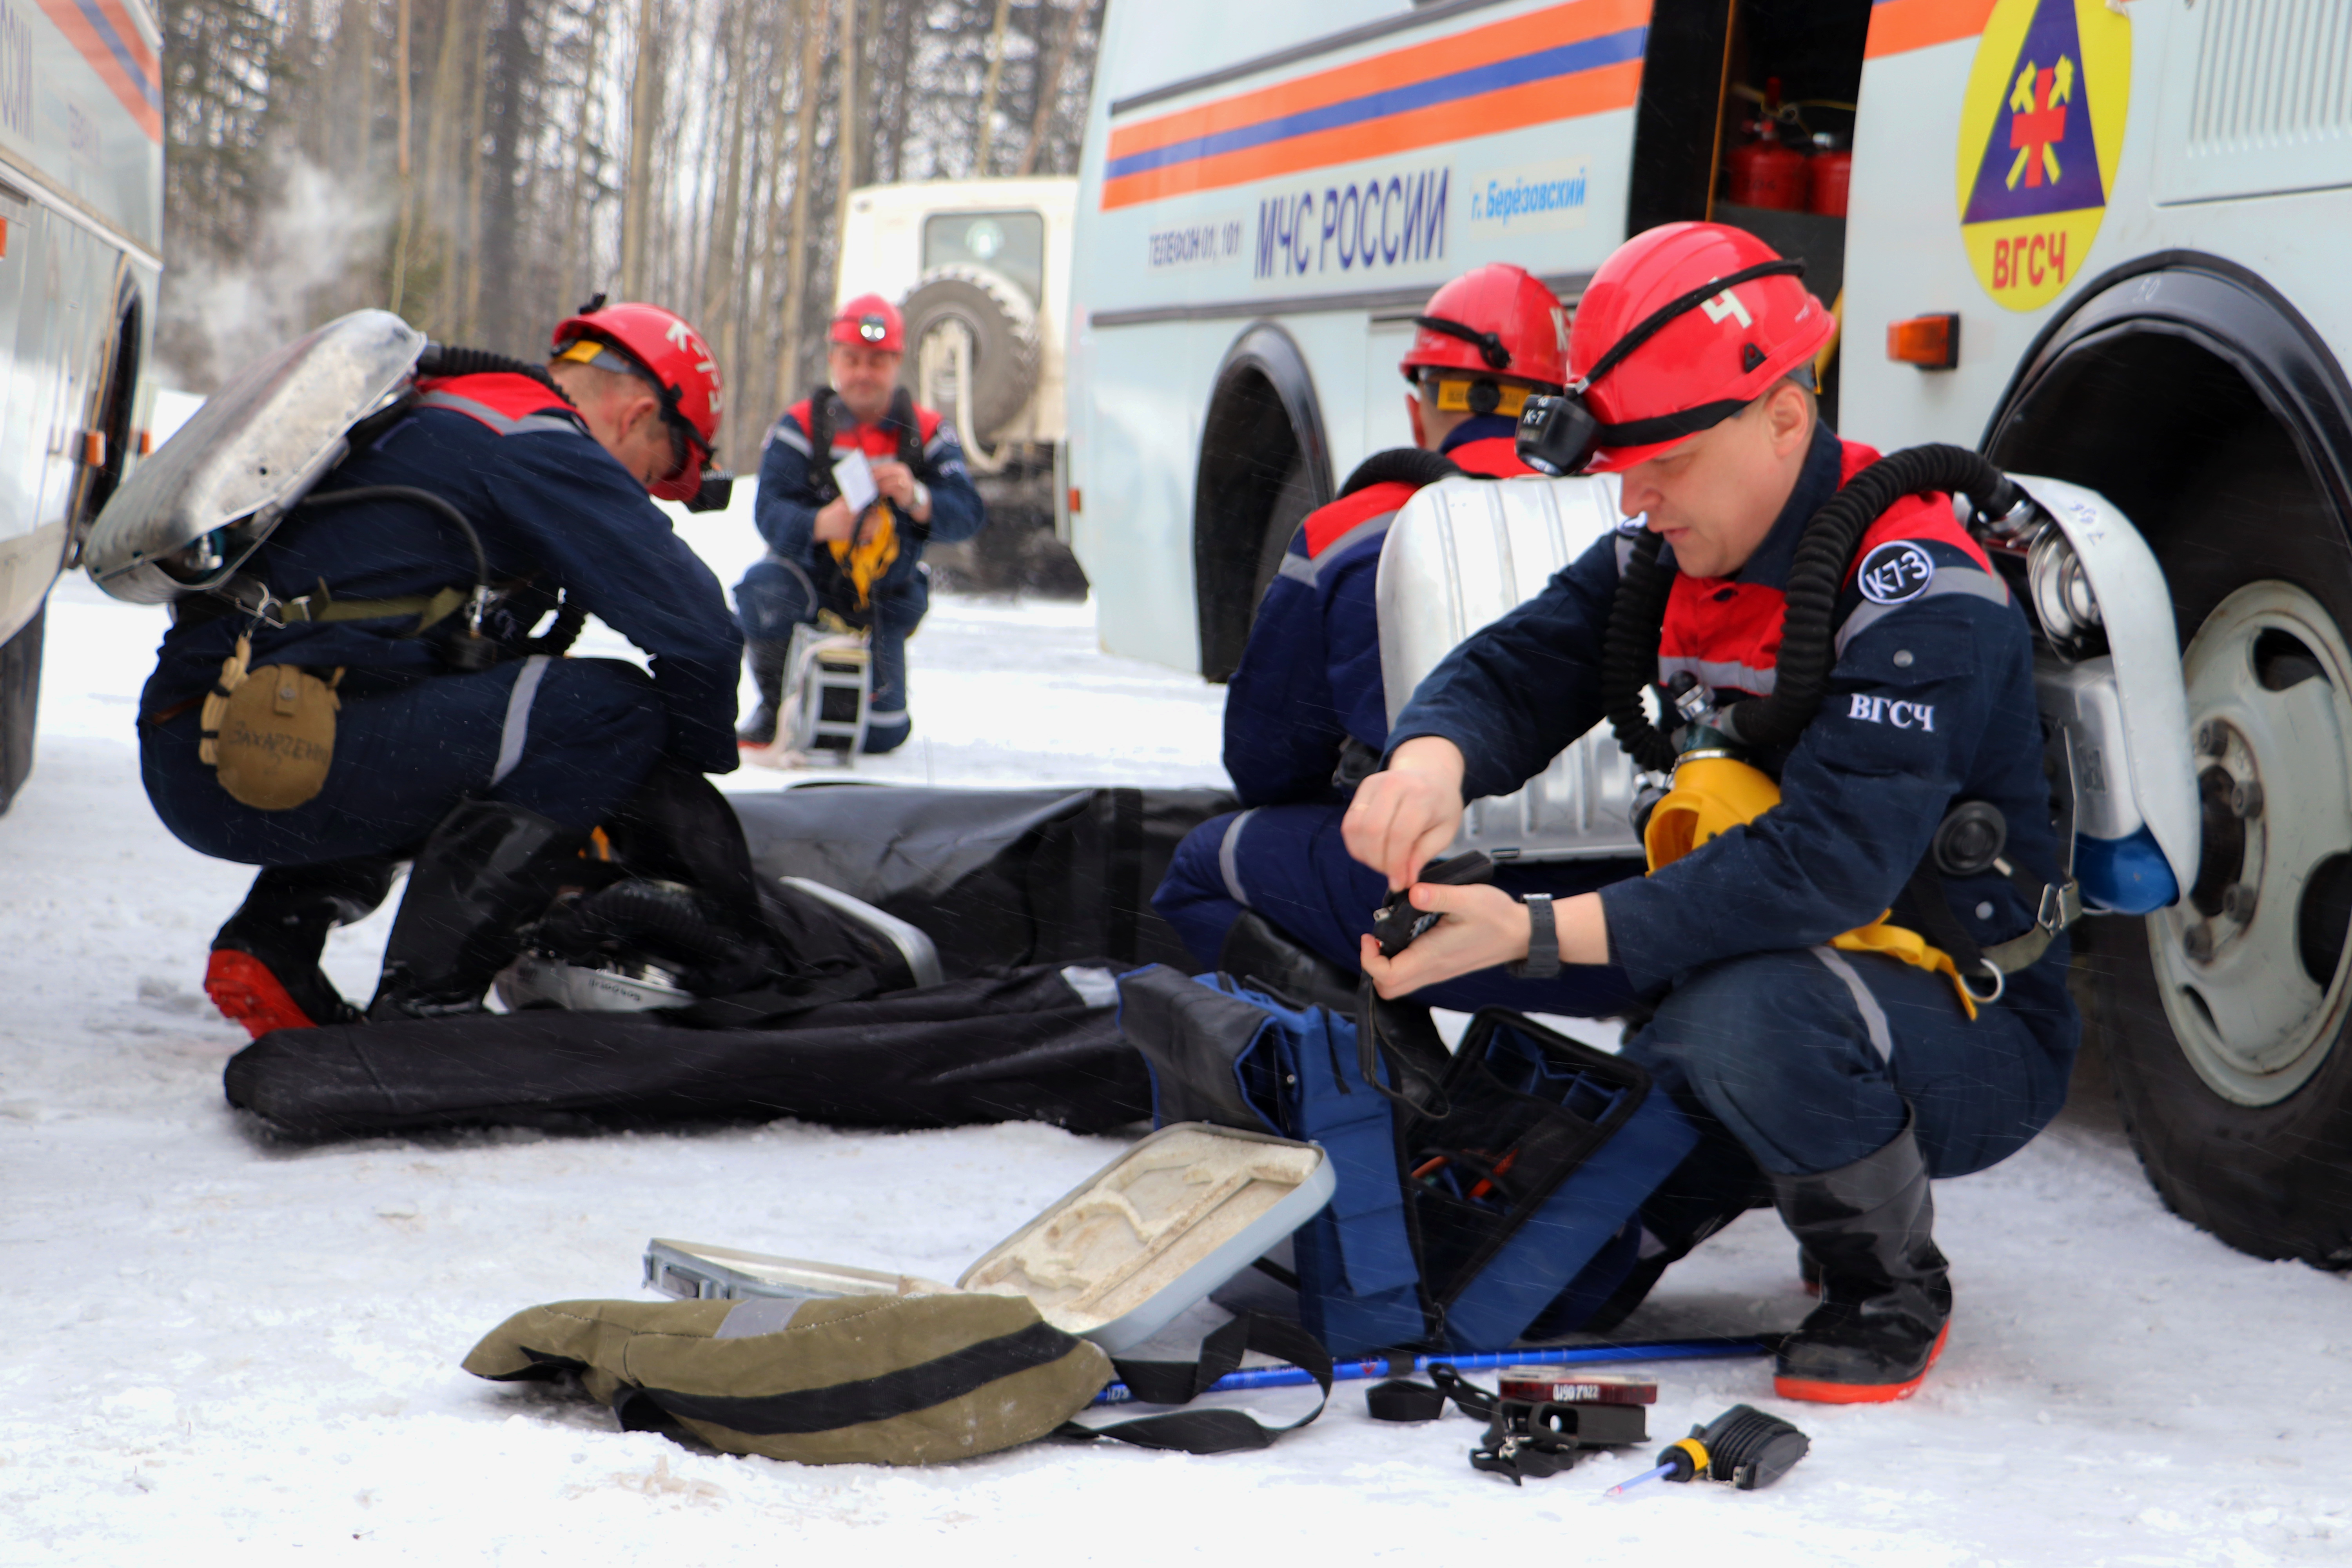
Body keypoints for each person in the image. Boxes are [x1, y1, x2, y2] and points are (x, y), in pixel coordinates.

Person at [1343, 222, 2080, 1403]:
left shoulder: (1915, 585)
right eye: (1625, 462)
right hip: (1754, 969)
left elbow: (1825, 869)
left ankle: (1885, 1281)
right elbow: (1517, 668)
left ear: (1783, 417)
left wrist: (1535, 934)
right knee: (1545, 1269)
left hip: (1967, 1022)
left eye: (1664, 461)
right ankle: (1782, 1153)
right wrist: (1427, 763)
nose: (1632, 496)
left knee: (1745, 1010)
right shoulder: (1670, 548)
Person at [141, 301, 745, 1035]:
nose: (648, 494)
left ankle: (275, 941)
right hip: (264, 753)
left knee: (491, 712)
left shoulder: (436, 408)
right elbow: (703, 636)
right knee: (611, 710)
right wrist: (684, 780)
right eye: (664, 471)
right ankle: (428, 1006)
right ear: (641, 414)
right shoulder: (537, 440)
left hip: (204, 741)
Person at [1152, 263, 1639, 1018]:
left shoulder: (1355, 527)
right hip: (1636, 928)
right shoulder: (1640, 515)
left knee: (1199, 866)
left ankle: (1382, 1083)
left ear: (1423, 408)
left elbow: (1266, 762)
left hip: (1453, 923)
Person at [733, 295, 985, 755]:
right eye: (852, 360)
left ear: (897, 362)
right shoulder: (800, 426)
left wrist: (919, 498)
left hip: (884, 597)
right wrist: (821, 524)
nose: (863, 373)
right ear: (833, 360)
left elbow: (968, 513)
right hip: (808, 582)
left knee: (882, 734)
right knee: (762, 588)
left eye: (877, 361)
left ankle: (850, 691)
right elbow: (768, 512)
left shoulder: (928, 431)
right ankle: (776, 702)